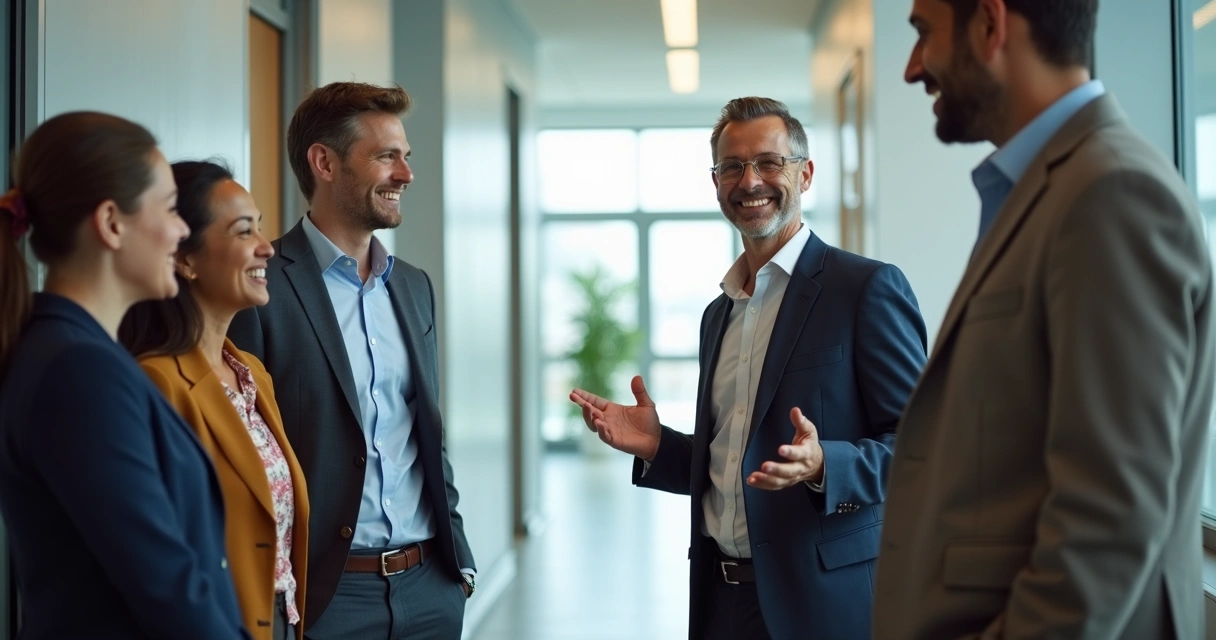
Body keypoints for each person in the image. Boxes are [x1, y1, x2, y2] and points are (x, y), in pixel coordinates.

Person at [873, 1, 1215, 638]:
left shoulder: (1111, 192)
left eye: (923, 33)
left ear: (991, 24)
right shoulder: (1046, 189)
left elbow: (1107, 518)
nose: (912, 68)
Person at [570, 97, 927, 640]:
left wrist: (824, 464)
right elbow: (735, 462)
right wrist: (659, 446)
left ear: (805, 174)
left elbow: (923, 448)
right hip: (720, 601)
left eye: (769, 162)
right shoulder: (719, 314)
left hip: (822, 605)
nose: (750, 180)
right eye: (732, 166)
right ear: (716, 182)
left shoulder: (864, 289)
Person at [228, 82, 475, 639]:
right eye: (386, 156)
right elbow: (245, 457)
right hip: (325, 600)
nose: (406, 174)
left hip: (430, 591)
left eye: (405, 156)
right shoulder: (261, 286)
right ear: (324, 163)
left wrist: (459, 566)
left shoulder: (414, 286)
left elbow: (426, 434)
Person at [0, 112, 249, 639]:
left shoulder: (76, 354)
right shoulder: (78, 371)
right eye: (170, 209)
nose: (181, 231)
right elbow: (166, 584)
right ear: (112, 223)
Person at [119, 160, 310, 640]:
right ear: (185, 258)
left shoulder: (253, 374)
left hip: (282, 621)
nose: (267, 247)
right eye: (244, 231)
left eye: (260, 227)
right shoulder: (156, 382)